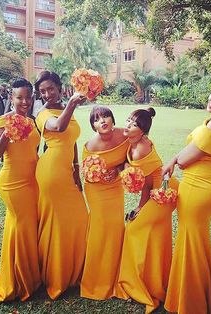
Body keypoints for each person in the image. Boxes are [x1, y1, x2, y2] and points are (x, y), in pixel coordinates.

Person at [162, 77, 211, 314]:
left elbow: (185, 159)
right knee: (196, 242)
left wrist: (174, 160)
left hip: (200, 188)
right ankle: (200, 298)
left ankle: (193, 305)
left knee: (192, 243)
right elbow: (187, 154)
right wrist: (173, 159)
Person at [115, 108, 178, 313]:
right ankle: (152, 280)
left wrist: (141, 206)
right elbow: (146, 183)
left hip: (164, 192)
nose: (128, 126)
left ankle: (138, 284)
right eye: (128, 121)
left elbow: (147, 185)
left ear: (142, 132)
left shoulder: (141, 148)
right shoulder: (132, 143)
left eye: (133, 125)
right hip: (154, 190)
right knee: (152, 234)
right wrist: (140, 207)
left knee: (134, 229)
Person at [34, 71, 88, 299]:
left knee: (78, 218)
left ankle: (75, 271)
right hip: (51, 172)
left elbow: (72, 140)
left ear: (59, 87)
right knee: (55, 223)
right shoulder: (42, 113)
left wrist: (76, 167)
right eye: (42, 91)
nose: (47, 94)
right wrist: (74, 103)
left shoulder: (65, 107)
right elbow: (58, 128)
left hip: (67, 171)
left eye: (50, 89)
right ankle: (55, 276)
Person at [0, 78, 41, 301]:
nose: (24, 101)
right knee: (22, 226)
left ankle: (25, 275)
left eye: (28, 97)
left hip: (33, 182)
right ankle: (20, 281)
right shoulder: (2, 121)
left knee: (23, 227)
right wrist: (7, 133)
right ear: (11, 98)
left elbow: (33, 153)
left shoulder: (32, 122)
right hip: (12, 182)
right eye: (19, 97)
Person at [80, 105, 129, 300]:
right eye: (97, 119)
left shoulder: (124, 135)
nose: (103, 121)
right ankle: (96, 280)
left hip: (115, 188)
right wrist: (99, 176)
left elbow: (129, 156)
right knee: (101, 229)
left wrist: (119, 169)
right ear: (93, 126)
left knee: (116, 227)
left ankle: (117, 274)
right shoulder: (91, 146)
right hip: (97, 191)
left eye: (106, 116)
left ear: (112, 119)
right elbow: (87, 174)